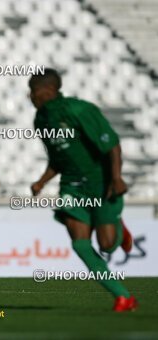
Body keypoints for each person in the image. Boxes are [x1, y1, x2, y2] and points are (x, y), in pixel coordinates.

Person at [28, 68, 137, 312]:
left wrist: (116, 178)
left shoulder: (80, 110)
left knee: (108, 245)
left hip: (101, 182)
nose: (30, 97)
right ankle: (123, 297)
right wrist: (42, 181)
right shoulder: (41, 120)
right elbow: (59, 158)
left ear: (48, 91)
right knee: (80, 244)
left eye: (33, 92)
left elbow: (112, 143)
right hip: (72, 186)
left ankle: (120, 230)